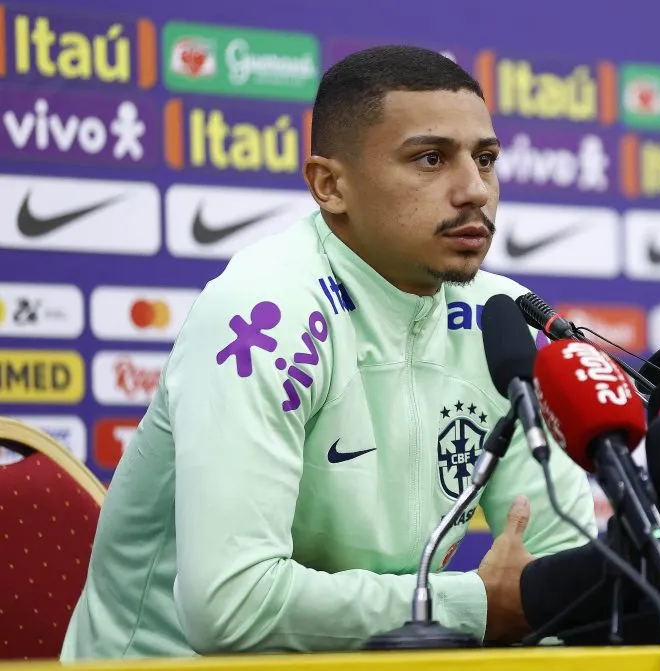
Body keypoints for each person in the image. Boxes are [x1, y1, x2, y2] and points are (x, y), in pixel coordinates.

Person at [61, 45, 596, 659]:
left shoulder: (499, 319)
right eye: (430, 158)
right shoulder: (263, 312)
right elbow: (228, 606)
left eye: (486, 159)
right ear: (329, 185)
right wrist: (472, 604)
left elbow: (562, 561)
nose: (474, 190)